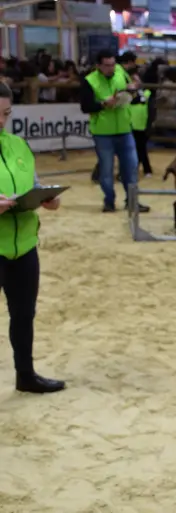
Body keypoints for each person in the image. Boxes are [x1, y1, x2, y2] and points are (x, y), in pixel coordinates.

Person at [0, 83, 65, 394]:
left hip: (24, 247)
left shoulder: (18, 144)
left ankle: (25, 374)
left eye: (6, 114)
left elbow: (32, 183)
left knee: (24, 315)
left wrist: (45, 198)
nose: (1, 121)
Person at [80, 50, 150, 213]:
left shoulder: (120, 72)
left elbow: (129, 90)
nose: (111, 68)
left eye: (113, 64)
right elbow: (85, 107)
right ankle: (109, 201)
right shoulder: (90, 81)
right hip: (103, 132)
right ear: (98, 66)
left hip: (125, 129)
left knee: (131, 167)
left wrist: (132, 89)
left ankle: (132, 201)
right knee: (106, 170)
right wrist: (104, 104)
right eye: (107, 65)